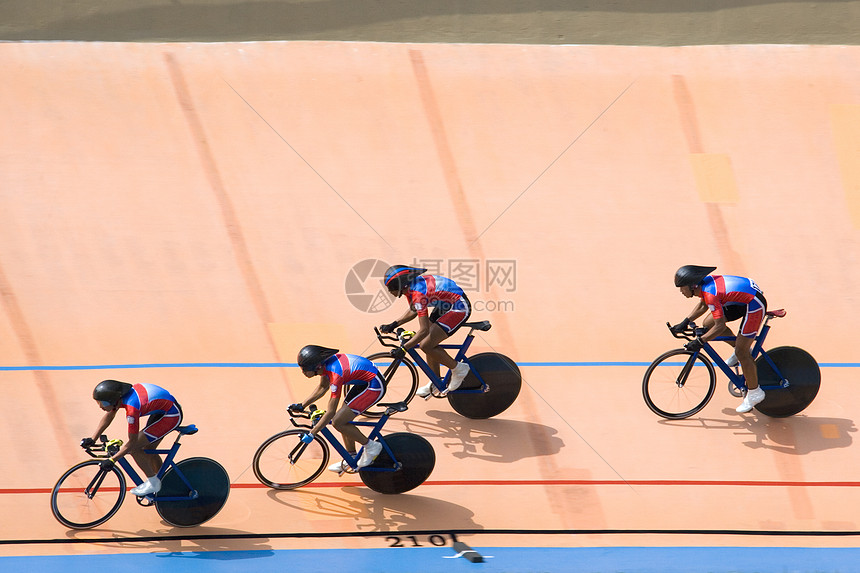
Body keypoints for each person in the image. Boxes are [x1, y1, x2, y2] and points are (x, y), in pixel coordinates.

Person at [671, 265, 768, 413]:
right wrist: (685, 322)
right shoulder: (704, 286)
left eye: (681, 287)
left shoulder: (711, 293)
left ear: (692, 286)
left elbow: (720, 327)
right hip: (743, 299)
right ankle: (740, 347)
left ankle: (755, 392)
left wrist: (700, 341)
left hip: (754, 305)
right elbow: (703, 305)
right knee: (707, 323)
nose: (680, 291)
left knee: (742, 353)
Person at [290, 345, 386, 473]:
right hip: (365, 383)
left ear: (316, 367)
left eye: (304, 369)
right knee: (342, 419)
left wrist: (313, 433)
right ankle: (351, 457)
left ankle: (371, 446)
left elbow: (330, 412)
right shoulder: (324, 366)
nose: (302, 372)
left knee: (338, 421)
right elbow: (322, 387)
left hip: (374, 386)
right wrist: (302, 405)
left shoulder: (335, 374)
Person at [380, 265, 472, 397]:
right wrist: (394, 324)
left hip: (459, 307)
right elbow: (413, 309)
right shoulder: (410, 288)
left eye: (391, 288)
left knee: (426, 344)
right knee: (427, 342)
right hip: (445, 305)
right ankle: (435, 381)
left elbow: (424, 330)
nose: (389, 292)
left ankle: (459, 368)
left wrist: (404, 348)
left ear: (401, 285)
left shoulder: (418, 294)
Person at [82, 379, 183, 496]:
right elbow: (109, 415)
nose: (101, 407)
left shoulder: (132, 410)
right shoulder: (121, 397)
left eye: (103, 403)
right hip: (162, 410)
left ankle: (153, 483)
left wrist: (112, 460)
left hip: (171, 415)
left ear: (114, 400)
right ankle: (166, 482)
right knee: (148, 450)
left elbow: (132, 443)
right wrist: (93, 439)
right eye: (98, 403)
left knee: (135, 449)